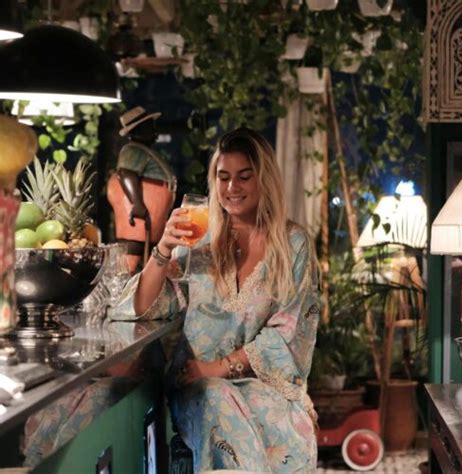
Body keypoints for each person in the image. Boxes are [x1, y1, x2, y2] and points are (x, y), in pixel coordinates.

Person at [116, 127, 319, 473]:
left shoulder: (293, 244)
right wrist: (163, 249)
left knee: (285, 431)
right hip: (196, 383)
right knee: (216, 398)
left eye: (244, 177)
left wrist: (219, 368)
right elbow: (144, 307)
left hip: (264, 384)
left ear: (265, 179)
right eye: (223, 177)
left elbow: (288, 332)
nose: (231, 187)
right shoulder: (199, 238)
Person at [107, 106, 177, 273]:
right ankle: (125, 282)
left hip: (151, 215)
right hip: (139, 214)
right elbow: (126, 173)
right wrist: (137, 203)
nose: (154, 131)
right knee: (133, 250)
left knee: (145, 253)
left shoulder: (143, 151)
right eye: (149, 127)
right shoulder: (132, 151)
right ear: (138, 130)